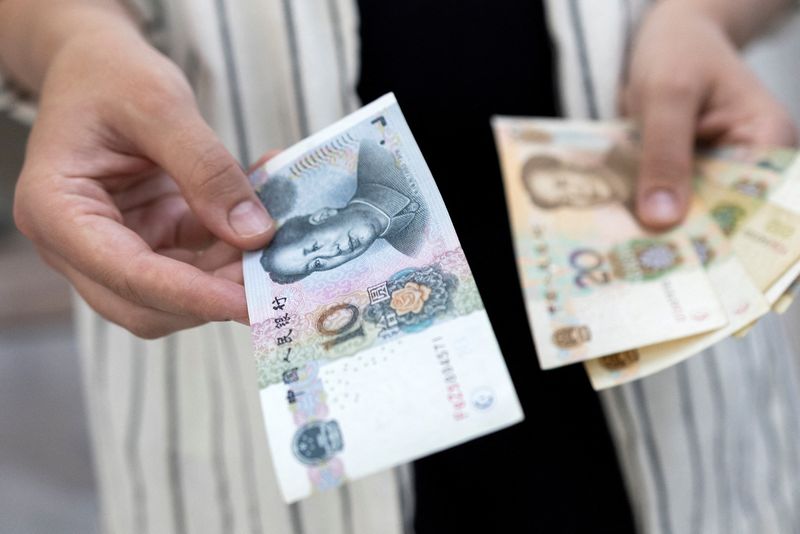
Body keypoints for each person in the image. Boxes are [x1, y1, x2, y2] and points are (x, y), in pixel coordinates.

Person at [2, 1, 799, 533]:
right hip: (249, 425)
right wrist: (71, 42)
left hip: (667, 390)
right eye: (317, 259)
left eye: (314, 246)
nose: (330, 252)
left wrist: (707, 14)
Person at [261, 140, 428, 284]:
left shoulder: (375, 154)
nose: (332, 253)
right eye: (317, 263)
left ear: (323, 216)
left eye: (315, 246)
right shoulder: (414, 249)